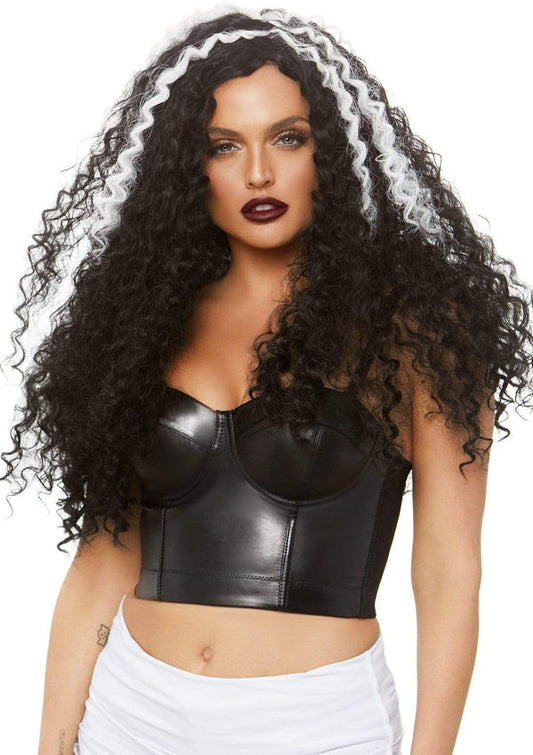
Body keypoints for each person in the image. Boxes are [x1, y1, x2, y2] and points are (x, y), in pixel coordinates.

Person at [1, 5, 532, 755]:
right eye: (224, 146)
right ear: (190, 168)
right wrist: (52, 743)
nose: (258, 172)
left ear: (331, 150)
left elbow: (448, 571)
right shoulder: (142, 325)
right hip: (130, 714)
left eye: (288, 137)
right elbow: (102, 560)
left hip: (317, 723)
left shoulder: (418, 326)